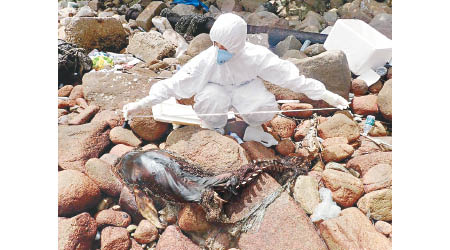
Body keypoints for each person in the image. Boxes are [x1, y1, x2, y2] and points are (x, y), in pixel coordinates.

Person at [122, 13, 349, 147]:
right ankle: (216, 130)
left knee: (262, 105)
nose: (218, 49)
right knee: (210, 100)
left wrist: (325, 94)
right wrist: (141, 104)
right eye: (215, 44)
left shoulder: (255, 56)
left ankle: (254, 129)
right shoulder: (207, 59)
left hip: (245, 88)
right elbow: (175, 83)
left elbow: (290, 77)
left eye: (224, 46)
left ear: (238, 43)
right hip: (216, 89)